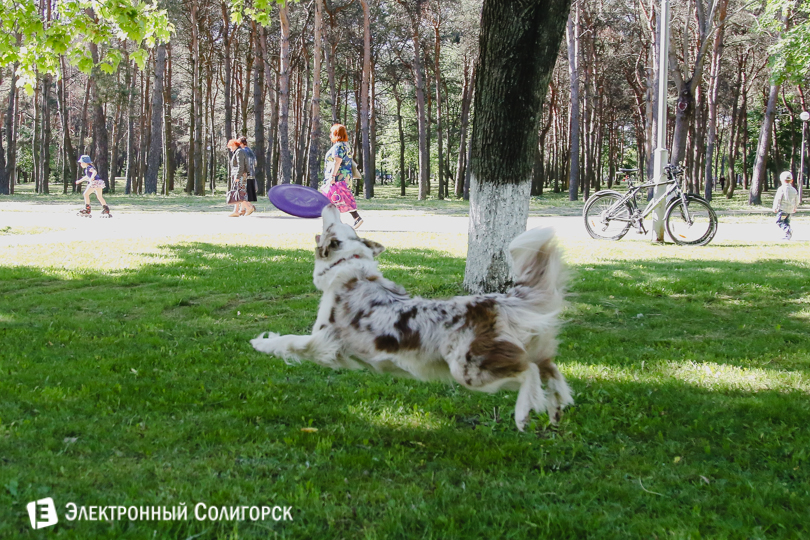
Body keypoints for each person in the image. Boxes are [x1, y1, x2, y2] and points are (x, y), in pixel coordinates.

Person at [322, 124, 363, 229]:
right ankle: (346, 220)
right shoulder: (345, 145)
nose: (330, 135)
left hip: (338, 178)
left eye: (331, 133)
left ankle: (353, 218)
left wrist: (332, 176)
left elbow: (337, 161)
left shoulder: (338, 146)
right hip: (343, 177)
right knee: (338, 199)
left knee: (333, 199)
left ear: (336, 134)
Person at [227, 138, 256, 217]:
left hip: (240, 175)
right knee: (238, 193)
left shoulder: (239, 152)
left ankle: (248, 207)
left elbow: (241, 166)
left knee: (239, 193)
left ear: (234, 145)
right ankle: (236, 211)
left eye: (230, 147)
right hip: (240, 175)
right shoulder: (239, 151)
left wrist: (237, 176)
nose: (230, 149)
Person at [773, 171, 799, 240]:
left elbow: (778, 199)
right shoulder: (794, 190)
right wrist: (795, 207)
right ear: (792, 180)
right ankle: (787, 235)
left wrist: (775, 207)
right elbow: (797, 200)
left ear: (781, 180)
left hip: (782, 209)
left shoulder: (781, 189)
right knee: (786, 222)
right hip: (790, 210)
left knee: (779, 221)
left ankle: (788, 230)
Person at [238, 136, 259, 203]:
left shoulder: (242, 151)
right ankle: (246, 207)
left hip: (245, 173)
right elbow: (255, 163)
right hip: (252, 172)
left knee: (243, 192)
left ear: (241, 143)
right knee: (250, 192)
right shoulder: (251, 151)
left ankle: (247, 207)